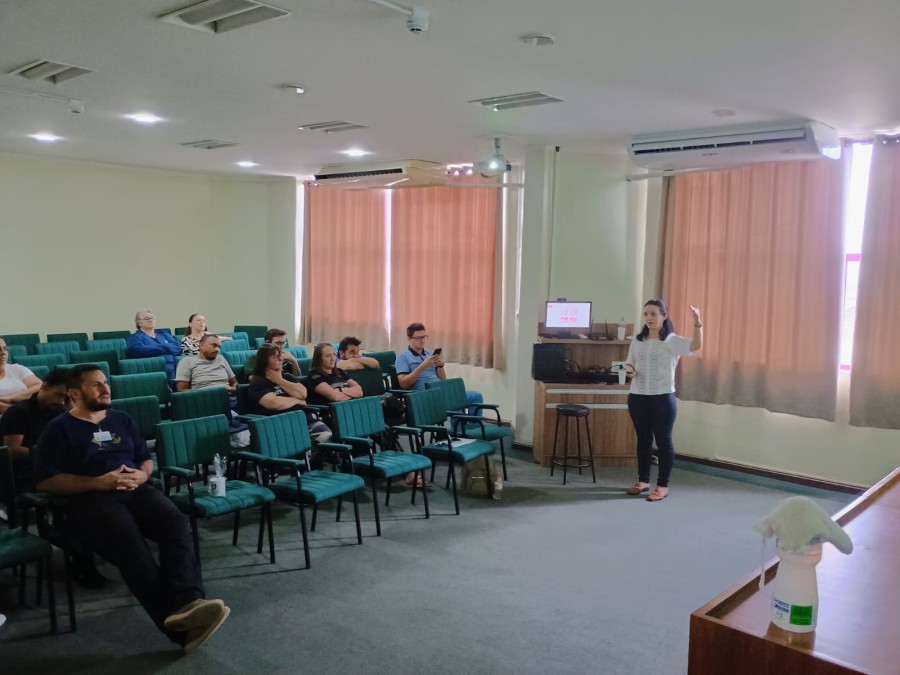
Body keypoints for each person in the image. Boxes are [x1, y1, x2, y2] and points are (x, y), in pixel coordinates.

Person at [32, 365, 230, 653]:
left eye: (105, 382)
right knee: (131, 546)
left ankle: (189, 602)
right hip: (92, 499)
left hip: (136, 490)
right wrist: (97, 482)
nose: (106, 388)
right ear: (74, 394)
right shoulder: (58, 429)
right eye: (96, 385)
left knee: (175, 523)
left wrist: (143, 474)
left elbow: (144, 458)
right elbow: (45, 481)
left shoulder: (120, 419)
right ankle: (180, 630)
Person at [623, 299, 702, 503]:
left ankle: (662, 486)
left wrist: (697, 322)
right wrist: (629, 370)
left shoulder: (672, 341)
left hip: (663, 398)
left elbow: (696, 345)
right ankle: (643, 481)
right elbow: (629, 363)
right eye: (646, 314)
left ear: (664, 316)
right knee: (643, 439)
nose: (649, 318)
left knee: (663, 441)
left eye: (653, 314)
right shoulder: (637, 340)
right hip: (638, 397)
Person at [1, 367, 68, 492]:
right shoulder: (19, 412)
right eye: (59, 395)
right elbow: (11, 451)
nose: (61, 402)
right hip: (28, 474)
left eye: (66, 398)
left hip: (57, 469)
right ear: (44, 387)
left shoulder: (61, 411)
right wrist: (46, 453)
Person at [395, 322, 483, 413]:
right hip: (425, 394)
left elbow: (443, 379)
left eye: (424, 337)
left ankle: (470, 422)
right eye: (418, 338)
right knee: (456, 403)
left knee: (476, 396)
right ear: (409, 339)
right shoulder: (403, 357)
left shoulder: (430, 353)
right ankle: (458, 421)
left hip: (440, 389)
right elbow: (403, 384)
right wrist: (423, 366)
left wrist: (440, 366)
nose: (422, 340)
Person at [247, 344, 330, 440]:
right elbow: (274, 403)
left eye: (280, 356)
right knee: (325, 438)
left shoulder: (287, 377)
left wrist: (279, 380)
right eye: (275, 357)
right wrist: (298, 401)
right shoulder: (258, 382)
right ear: (264, 361)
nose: (280, 359)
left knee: (328, 436)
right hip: (281, 424)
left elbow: (303, 394)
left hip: (303, 419)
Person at [125, 310, 182, 380]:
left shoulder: (163, 333)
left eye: (152, 318)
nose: (150, 320)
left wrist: (158, 348)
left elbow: (177, 347)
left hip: (175, 364)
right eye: (147, 318)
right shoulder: (135, 337)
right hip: (154, 366)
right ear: (139, 323)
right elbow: (138, 351)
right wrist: (165, 347)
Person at [0, 337, 43, 415]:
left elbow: (39, 386)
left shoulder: (16, 368)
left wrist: (10, 398)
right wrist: (20, 410)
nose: (3, 352)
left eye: (5, 348)